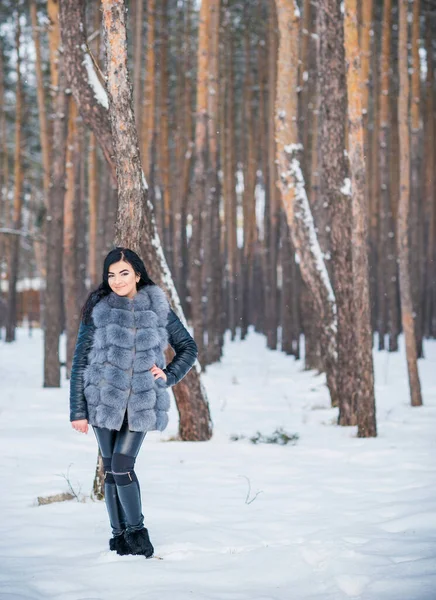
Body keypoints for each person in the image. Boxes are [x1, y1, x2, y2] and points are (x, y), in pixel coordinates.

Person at [69, 247, 198, 558]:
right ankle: (118, 536)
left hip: (141, 402)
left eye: (124, 273)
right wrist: (78, 410)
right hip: (102, 401)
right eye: (111, 274)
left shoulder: (156, 306)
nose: (117, 280)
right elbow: (80, 362)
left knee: (124, 465)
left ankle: (137, 532)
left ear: (138, 274)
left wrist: (167, 376)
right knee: (112, 469)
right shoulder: (98, 308)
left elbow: (188, 348)